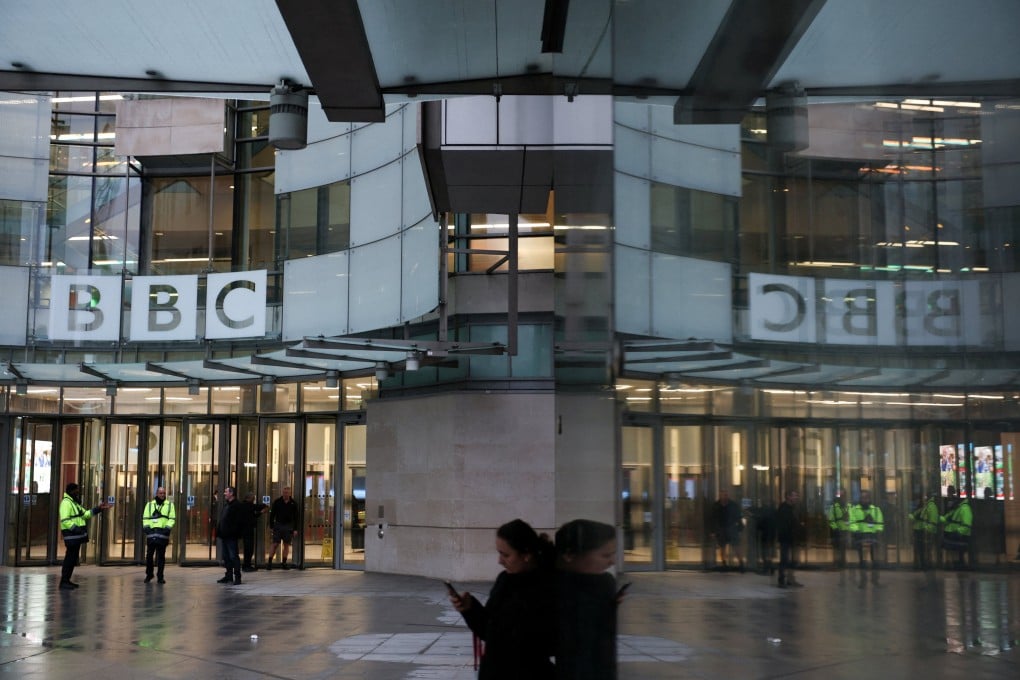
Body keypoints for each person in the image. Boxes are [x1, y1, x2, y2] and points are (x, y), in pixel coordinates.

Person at [450, 519, 556, 679]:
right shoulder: (505, 580)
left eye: (506, 555)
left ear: (526, 555)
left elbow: (549, 644)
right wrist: (470, 609)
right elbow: (489, 632)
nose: (500, 561)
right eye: (499, 553)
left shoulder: (547, 587)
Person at [555, 519, 621, 680]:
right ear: (570, 555)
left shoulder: (606, 583)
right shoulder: (557, 588)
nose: (612, 561)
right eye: (605, 555)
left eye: (613, 554)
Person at [58, 482, 109, 590]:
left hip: (76, 536)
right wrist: (76, 529)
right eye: (76, 491)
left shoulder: (74, 503)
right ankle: (64, 581)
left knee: (72, 559)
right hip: (72, 535)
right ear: (71, 491)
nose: (77, 493)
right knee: (70, 558)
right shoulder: (66, 503)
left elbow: (85, 514)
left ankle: (66, 580)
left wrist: (98, 509)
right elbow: (65, 520)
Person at [141, 486, 176, 584]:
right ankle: (149, 574)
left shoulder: (169, 505)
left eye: (164, 493)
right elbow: (145, 518)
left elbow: (172, 518)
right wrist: (147, 528)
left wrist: (167, 529)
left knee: (161, 557)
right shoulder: (149, 505)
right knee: (149, 556)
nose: (162, 495)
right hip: (151, 534)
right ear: (156, 494)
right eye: (161, 493)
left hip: (162, 535)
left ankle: (160, 577)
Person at [849, 490, 884, 587]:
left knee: (875, 561)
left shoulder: (876, 510)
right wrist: (857, 531)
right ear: (860, 499)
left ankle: (875, 580)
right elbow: (852, 523)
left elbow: (880, 523)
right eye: (863, 498)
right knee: (862, 561)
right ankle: (863, 581)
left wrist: (877, 531)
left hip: (873, 538)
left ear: (870, 498)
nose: (865, 499)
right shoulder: (854, 510)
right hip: (861, 538)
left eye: (866, 497)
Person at [710, 489, 744, 572]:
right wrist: (713, 531)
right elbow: (712, 519)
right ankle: (724, 564)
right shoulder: (716, 506)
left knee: (736, 547)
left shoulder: (733, 505)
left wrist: (740, 528)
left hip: (731, 528)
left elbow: (738, 517)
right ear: (720, 495)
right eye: (723, 495)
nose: (724, 496)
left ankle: (741, 564)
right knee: (722, 547)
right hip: (721, 529)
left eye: (726, 495)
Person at [266, 486, 300, 570]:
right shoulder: (277, 502)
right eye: (284, 492)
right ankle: (269, 562)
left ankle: (284, 563)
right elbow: (272, 514)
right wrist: (271, 526)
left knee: (286, 545)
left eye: (287, 492)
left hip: (288, 526)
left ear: (290, 493)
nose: (286, 494)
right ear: (282, 493)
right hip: (278, 525)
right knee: (275, 544)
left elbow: (296, 517)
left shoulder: (293, 503)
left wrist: (295, 529)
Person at [216, 486, 244, 585]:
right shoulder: (227, 505)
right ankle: (228, 576)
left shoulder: (237, 506)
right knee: (226, 556)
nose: (224, 493)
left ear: (231, 493)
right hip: (224, 535)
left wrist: (232, 532)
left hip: (231, 536)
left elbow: (238, 522)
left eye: (226, 492)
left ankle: (237, 577)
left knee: (233, 556)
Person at [775, 490, 802, 588]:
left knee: (792, 560)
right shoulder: (783, 508)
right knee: (784, 559)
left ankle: (790, 578)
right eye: (794, 496)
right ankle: (782, 580)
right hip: (785, 538)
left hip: (792, 538)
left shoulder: (792, 508)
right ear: (788, 497)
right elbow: (783, 524)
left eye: (796, 496)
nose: (796, 498)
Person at [941, 488, 973, 570]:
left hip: (959, 535)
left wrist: (958, 532)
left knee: (960, 553)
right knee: (958, 553)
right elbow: (948, 517)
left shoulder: (964, 508)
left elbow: (967, 524)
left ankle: (961, 566)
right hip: (956, 534)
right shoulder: (959, 507)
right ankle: (957, 565)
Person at [908, 492, 939, 571]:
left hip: (924, 532)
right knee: (920, 550)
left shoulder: (931, 506)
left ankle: (925, 565)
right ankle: (921, 564)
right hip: (920, 531)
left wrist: (927, 529)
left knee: (925, 550)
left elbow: (933, 521)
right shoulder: (926, 506)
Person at [241, 492, 268, 572]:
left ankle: (247, 565)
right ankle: (246, 566)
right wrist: (265, 505)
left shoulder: (247, 505)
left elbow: (254, 515)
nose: (254, 500)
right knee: (248, 548)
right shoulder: (246, 505)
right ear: (249, 498)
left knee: (249, 548)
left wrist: (261, 512)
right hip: (247, 530)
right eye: (253, 498)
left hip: (248, 529)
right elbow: (257, 507)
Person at [827, 488, 850, 573]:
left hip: (845, 531)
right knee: (836, 549)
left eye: (843, 495)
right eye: (840, 495)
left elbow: (850, 518)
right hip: (837, 531)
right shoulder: (834, 507)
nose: (842, 497)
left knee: (843, 548)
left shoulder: (848, 506)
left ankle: (842, 563)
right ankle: (836, 563)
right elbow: (831, 520)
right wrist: (835, 529)